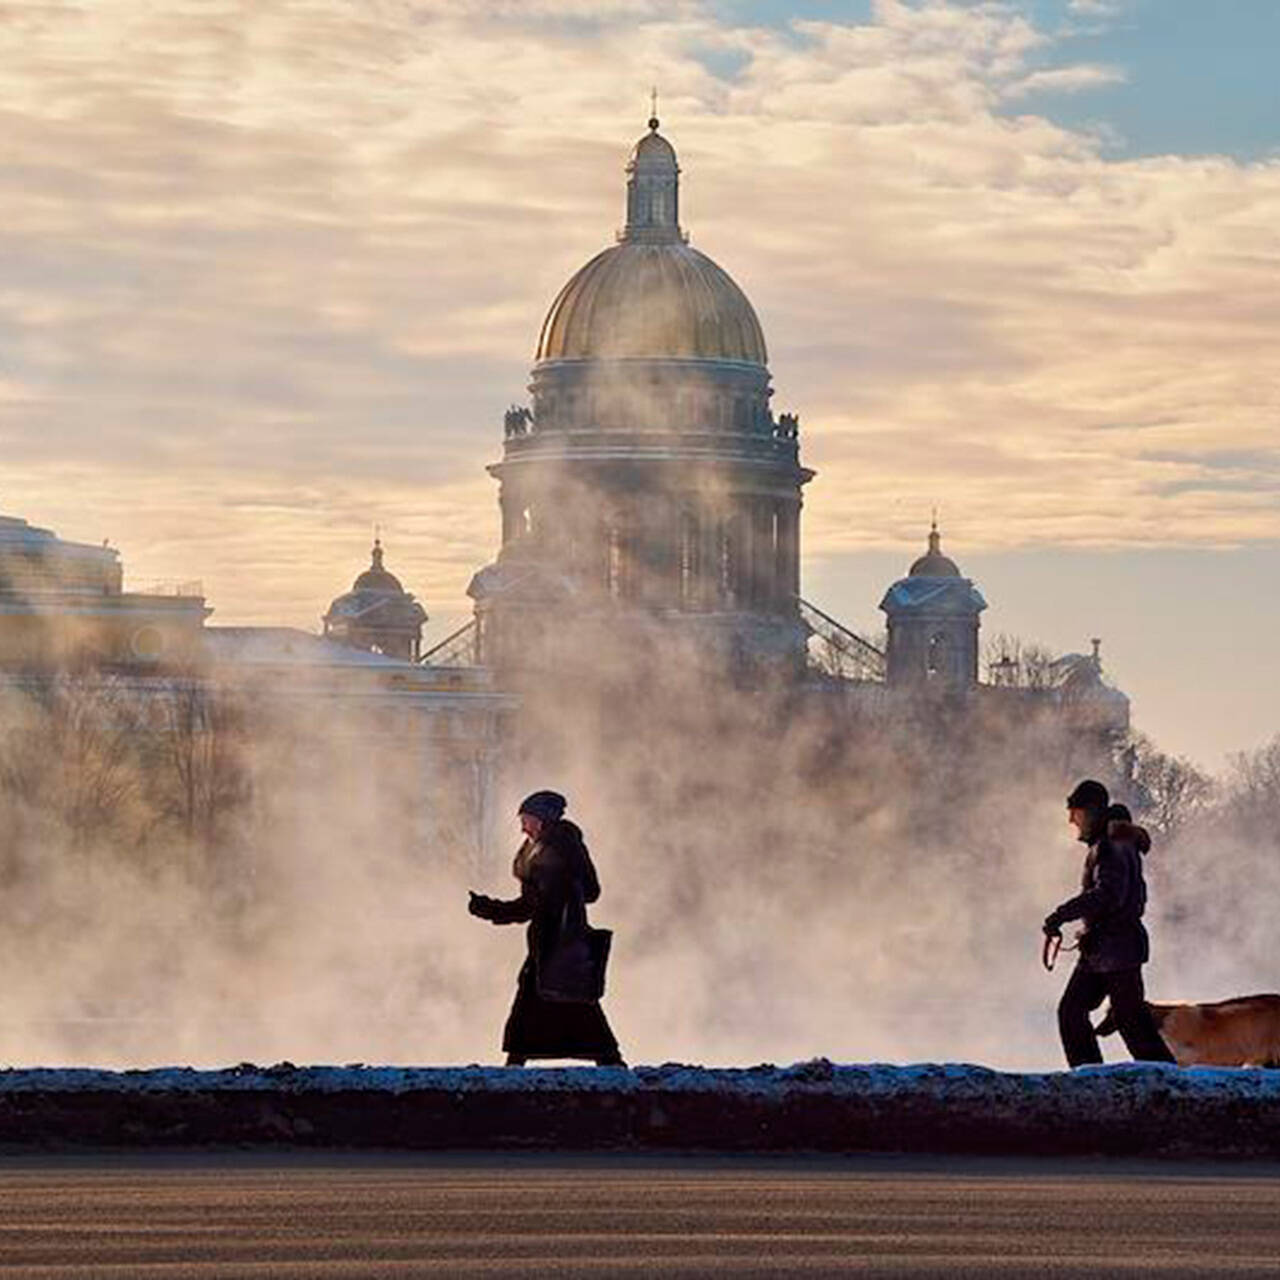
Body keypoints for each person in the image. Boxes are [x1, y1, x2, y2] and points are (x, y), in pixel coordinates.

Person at [468, 790, 624, 1067]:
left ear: (541, 820)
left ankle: (520, 1062)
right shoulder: (537, 853)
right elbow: (533, 905)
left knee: (561, 998)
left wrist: (492, 909)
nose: (522, 827)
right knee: (559, 998)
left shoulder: (561, 849)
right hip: (549, 941)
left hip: (563, 940)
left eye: (526, 820)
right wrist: (491, 908)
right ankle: (605, 1059)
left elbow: (587, 892)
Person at [1043, 779, 1175, 1068]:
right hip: (1106, 948)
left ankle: (1169, 1082)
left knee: (1125, 1021)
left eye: (1074, 812)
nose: (1071, 820)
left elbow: (1108, 895)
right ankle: (1092, 1078)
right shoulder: (1112, 841)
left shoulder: (1111, 845)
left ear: (1089, 811)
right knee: (1086, 1013)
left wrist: (1061, 915)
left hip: (1116, 947)